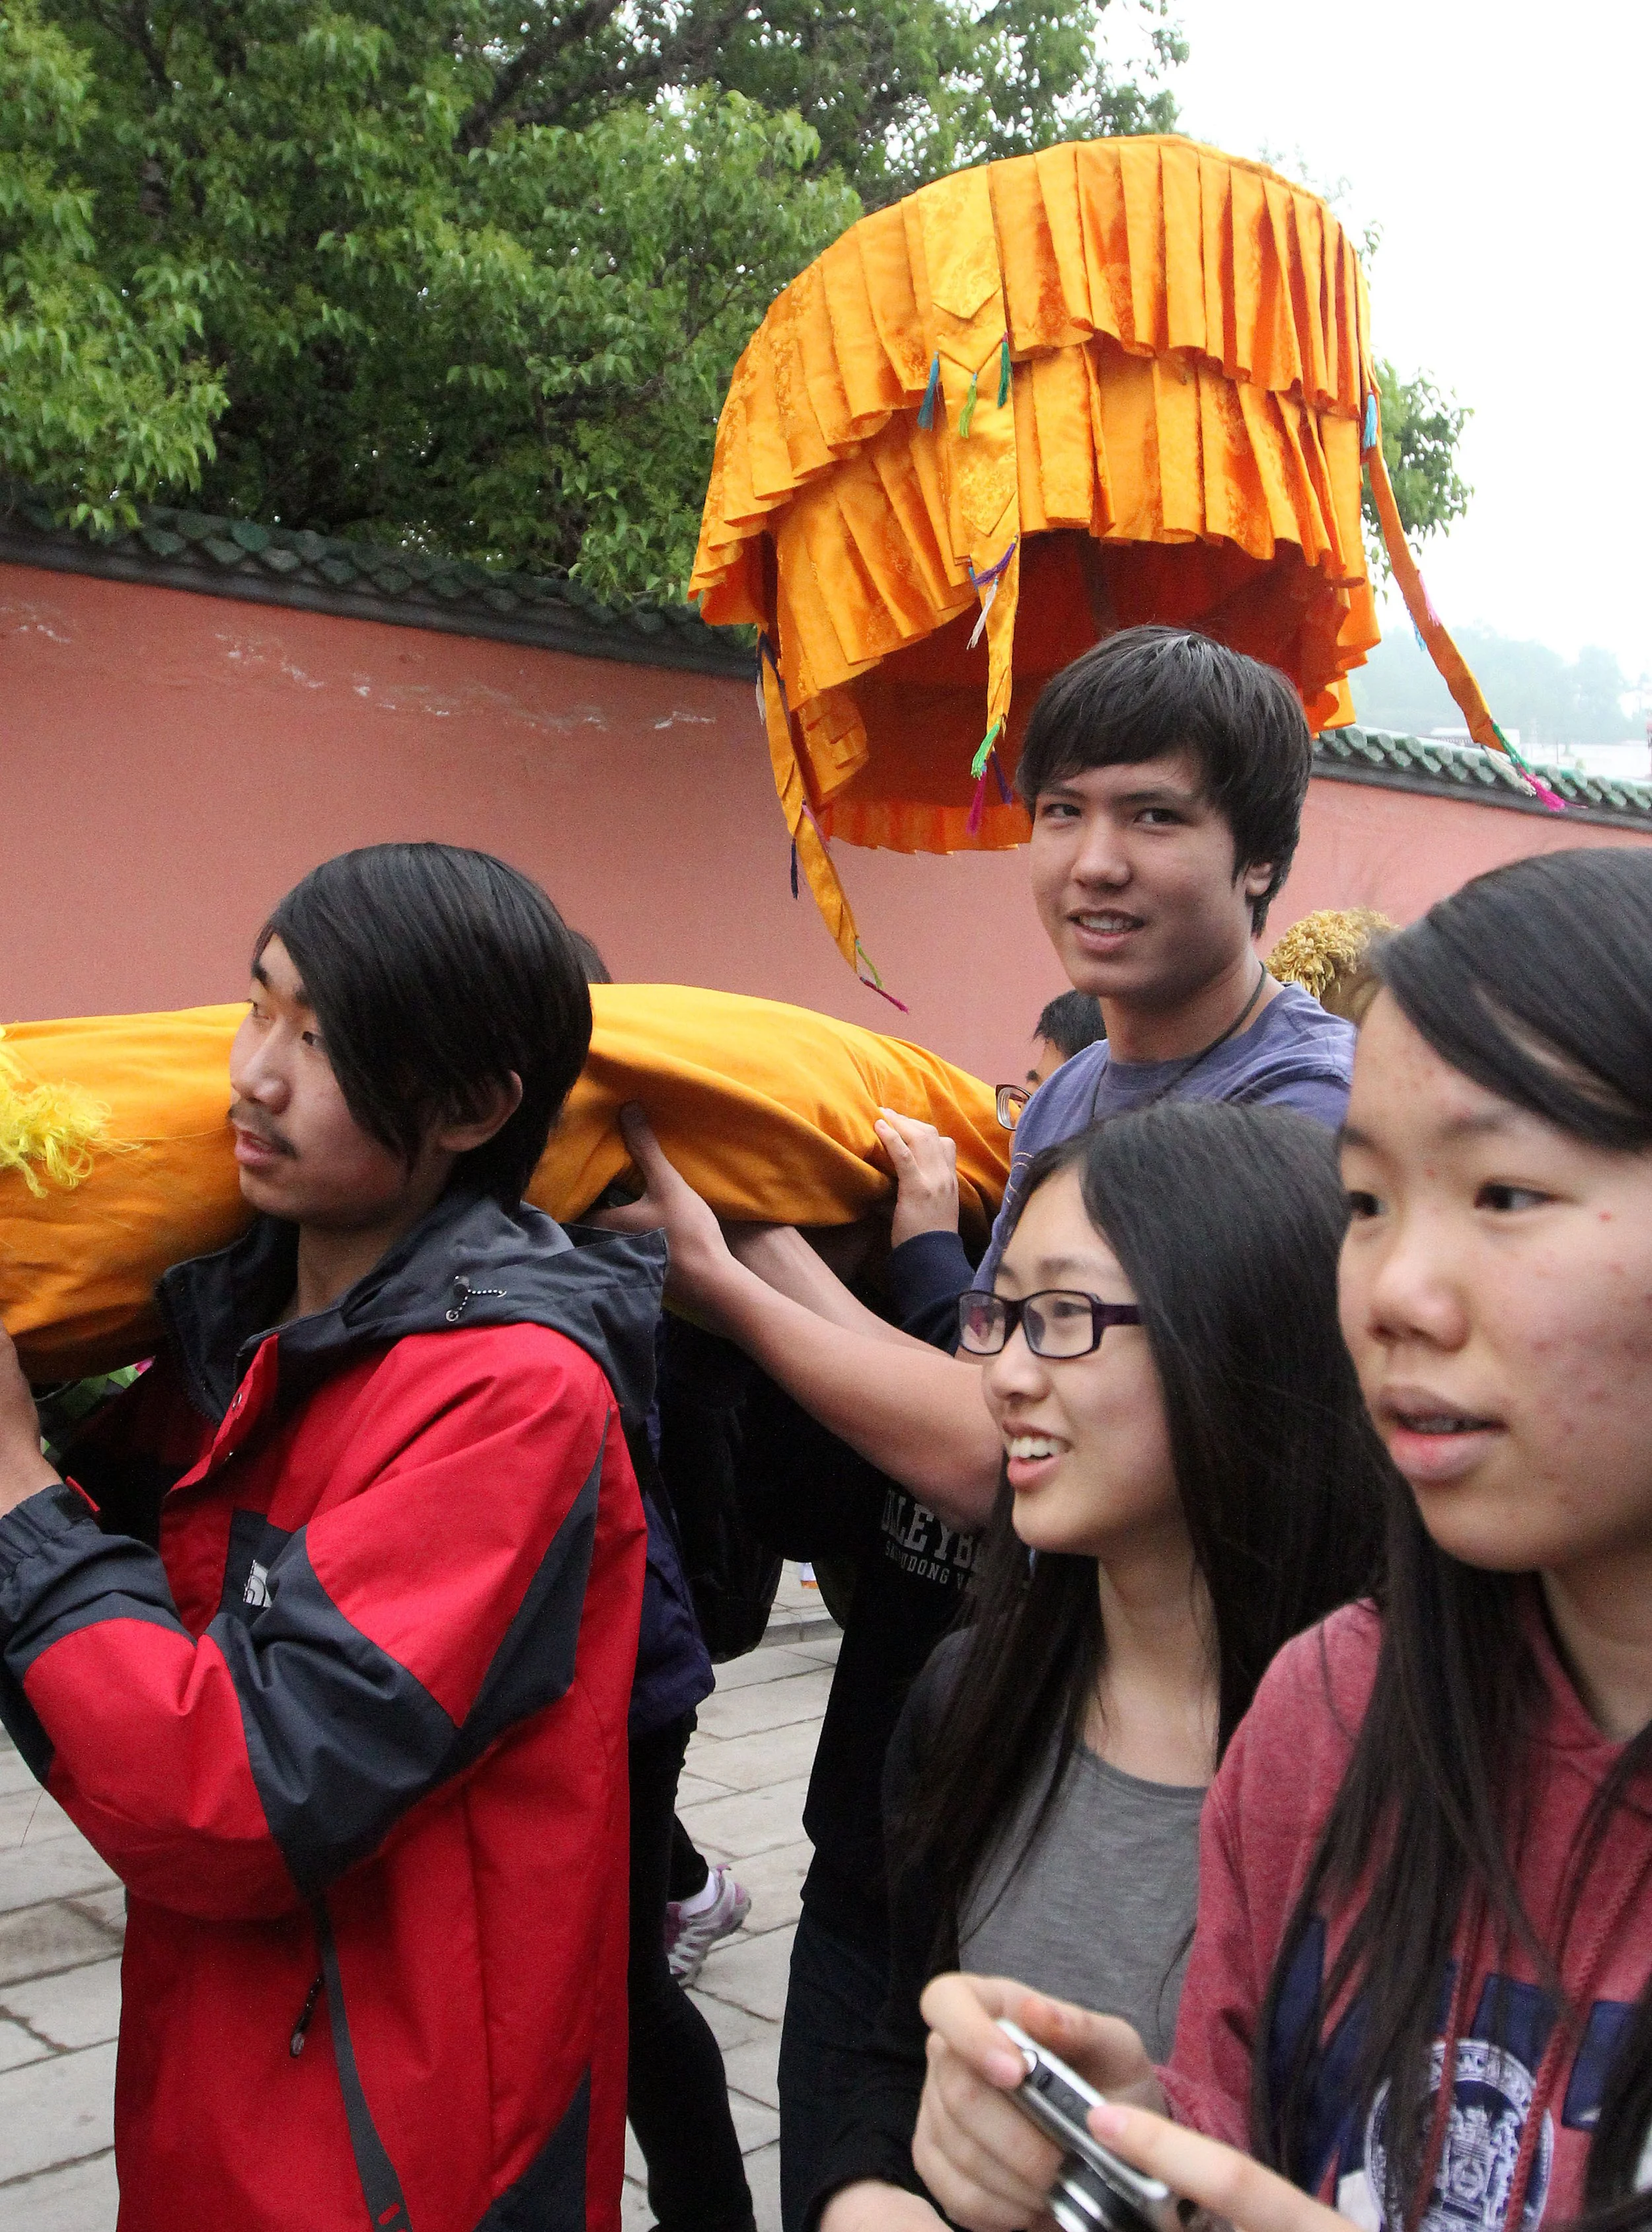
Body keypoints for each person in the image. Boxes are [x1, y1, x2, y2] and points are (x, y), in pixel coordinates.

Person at [913, 847, 1652, 2232]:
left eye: (1502, 1193)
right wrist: (1141, 2147)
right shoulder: (1332, 1705)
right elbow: (1244, 2128)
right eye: (1367, 1204)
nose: (1393, 1292)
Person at [0, 843, 661, 2232]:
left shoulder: (512, 1395)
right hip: (223, 2071)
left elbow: (236, 1792)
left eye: (322, 1039)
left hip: (402, 2146)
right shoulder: (242, 1336)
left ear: (474, 1106)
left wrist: (14, 1495)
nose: (254, 1074)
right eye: (259, 1007)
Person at [601, 625, 1358, 1525]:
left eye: (1154, 816)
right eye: (1063, 811)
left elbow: (995, 1466)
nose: (1094, 864)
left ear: (1260, 858)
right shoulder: (1067, 1094)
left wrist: (724, 1282)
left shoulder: (1306, 1108)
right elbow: (980, 1389)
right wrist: (747, 1234)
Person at [805, 1100, 1386, 2232]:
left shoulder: (1402, 1762)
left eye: (1063, 1316)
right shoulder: (971, 1697)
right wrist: (866, 2194)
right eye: (1002, 1314)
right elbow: (902, 2036)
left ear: (1246, 1338)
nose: (1005, 1376)